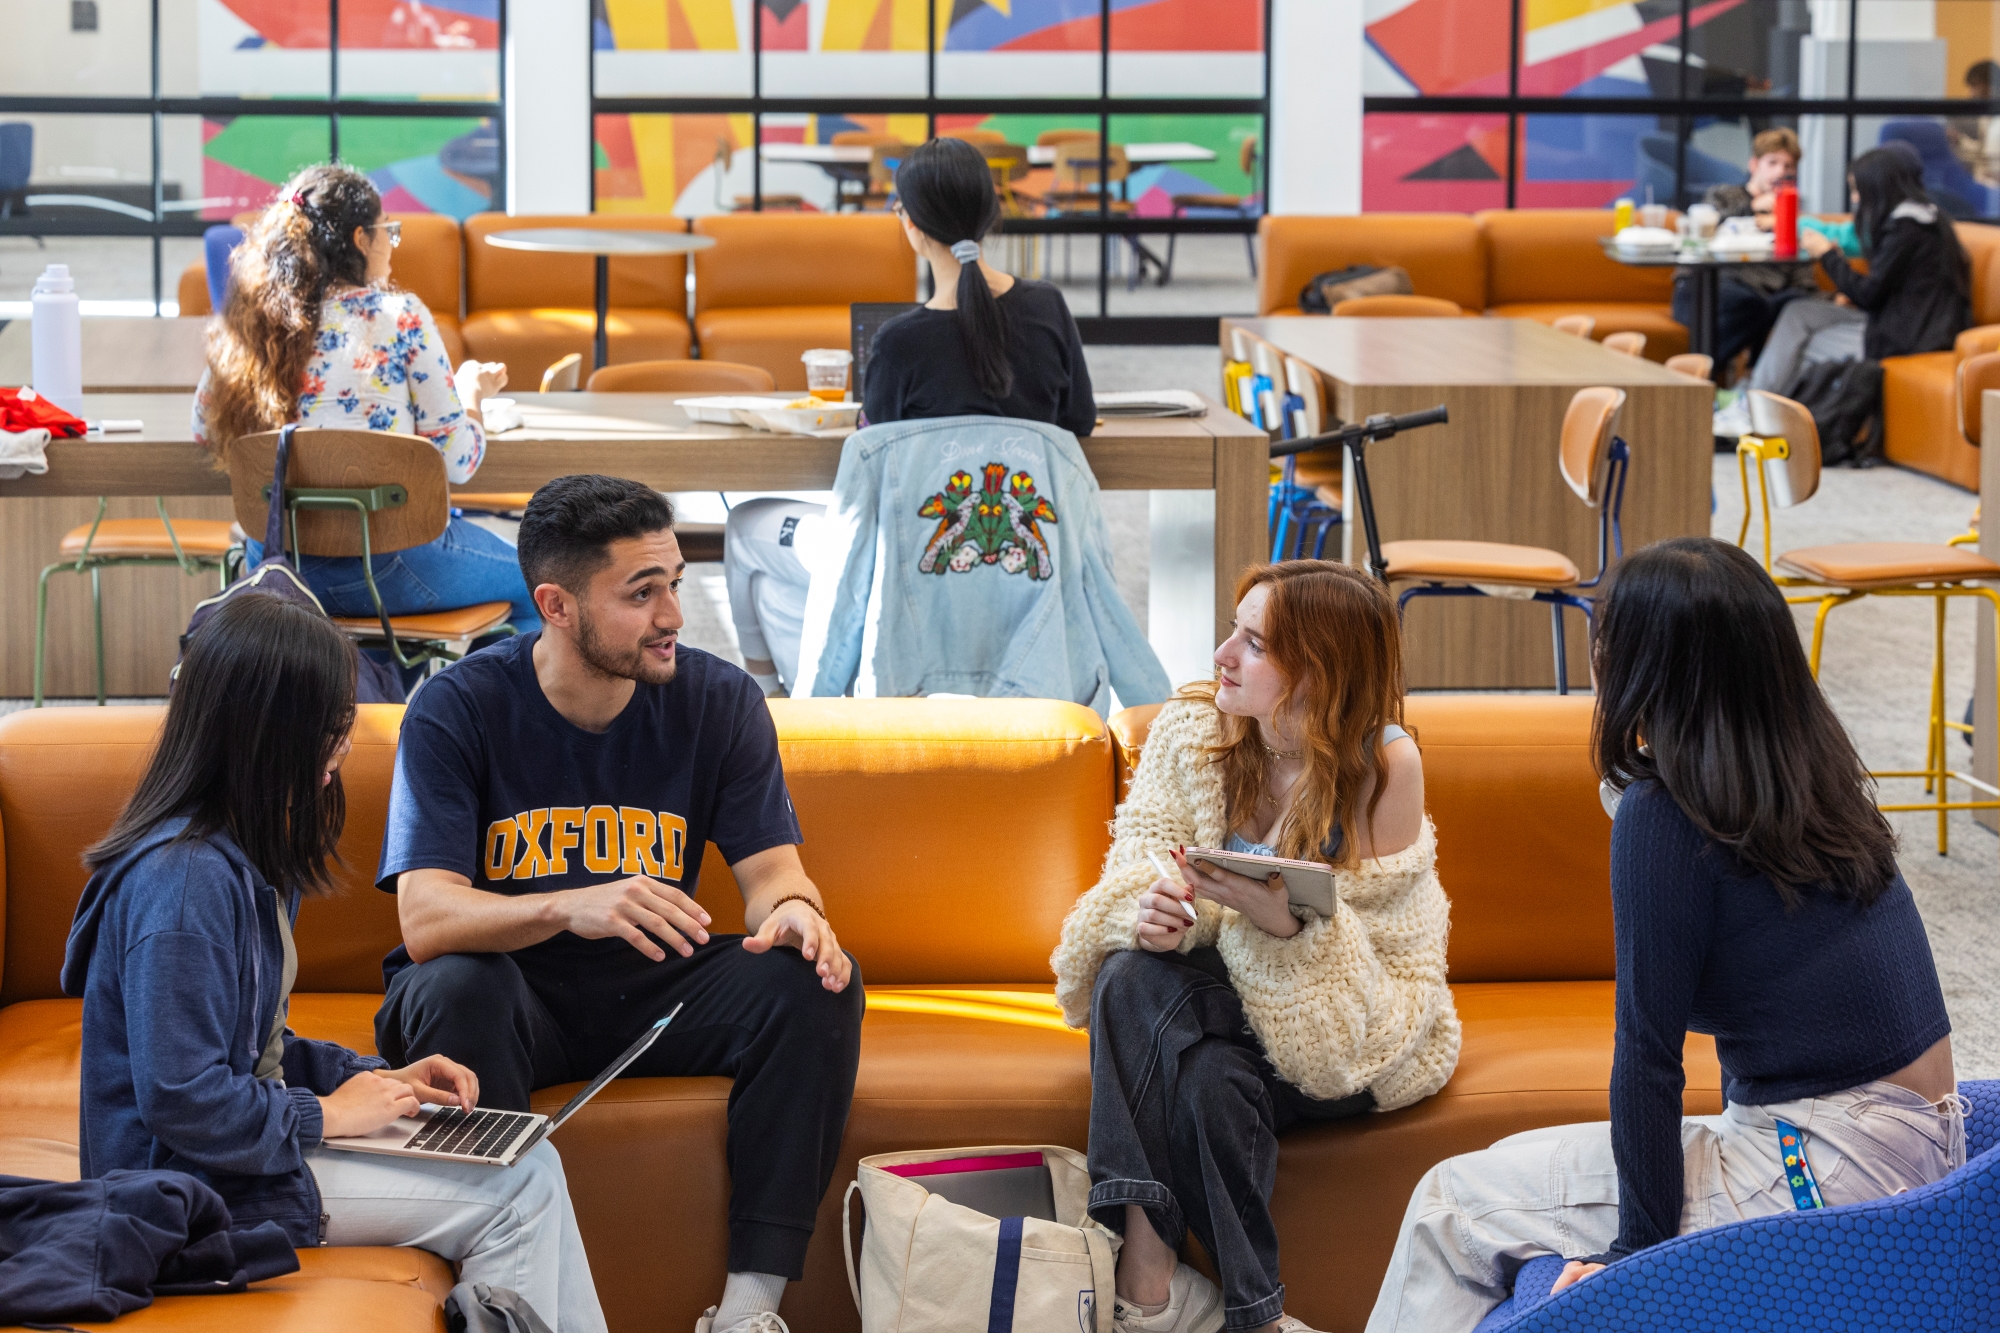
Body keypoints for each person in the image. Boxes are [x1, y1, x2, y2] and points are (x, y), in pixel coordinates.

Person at [1365, 537, 1960, 1333]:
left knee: (1450, 1202)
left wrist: (1634, 1260)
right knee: (1506, 1173)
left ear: (1644, 665)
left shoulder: (1668, 815)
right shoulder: (1807, 775)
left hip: (1817, 1168)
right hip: (1915, 1149)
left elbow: (1647, 1056)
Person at [373, 473, 863, 1333]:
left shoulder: (719, 701)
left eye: (672, 582)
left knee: (813, 982)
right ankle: (499, 1300)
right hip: (511, 994)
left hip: (654, 994)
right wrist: (569, 905)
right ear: (556, 605)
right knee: (457, 984)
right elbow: (427, 917)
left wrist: (797, 913)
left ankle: (749, 1311)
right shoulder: (457, 708)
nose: (673, 613)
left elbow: (773, 875)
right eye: (642, 593)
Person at [62, 593, 605, 1332]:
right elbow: (181, 1099)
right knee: (520, 1192)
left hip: (241, 1156)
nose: (341, 750)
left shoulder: (239, 854)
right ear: (266, 736)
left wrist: (368, 1077)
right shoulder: (183, 885)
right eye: (331, 730)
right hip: (192, 1187)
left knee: (528, 1160)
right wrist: (327, 1115)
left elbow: (251, 1049)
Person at [1050, 561, 1461, 1333]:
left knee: (1165, 1020)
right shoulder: (1194, 728)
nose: (1222, 654)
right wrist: (1155, 908)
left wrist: (1286, 933)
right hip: (1223, 1017)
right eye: (1233, 628)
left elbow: (1347, 1034)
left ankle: (1148, 1288)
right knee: (1158, 1012)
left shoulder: (1384, 767)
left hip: (1364, 1036)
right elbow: (1127, 875)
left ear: (1321, 671)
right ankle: (1240, 1309)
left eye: (1256, 643)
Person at [725, 135, 1094, 696]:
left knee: (747, 527)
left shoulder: (900, 344)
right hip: (1023, 559)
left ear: (914, 228)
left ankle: (774, 706)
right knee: (779, 593)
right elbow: (1079, 421)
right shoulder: (1049, 309)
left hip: (915, 562)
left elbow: (870, 475)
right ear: (991, 213)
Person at [194, 164, 538, 633]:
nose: (391, 242)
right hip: (390, 567)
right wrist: (472, 395)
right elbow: (458, 461)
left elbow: (203, 431)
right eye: (386, 231)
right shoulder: (402, 317)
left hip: (278, 566)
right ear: (360, 238)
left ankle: (391, 696)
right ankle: (463, 702)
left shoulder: (251, 324)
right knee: (540, 586)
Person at [1748, 145, 1972, 396]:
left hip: (1910, 337)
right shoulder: (1924, 218)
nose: (1855, 199)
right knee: (1798, 312)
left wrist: (1827, 255)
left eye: (1858, 189)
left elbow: (1868, 295)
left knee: (1803, 345)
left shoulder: (1908, 228)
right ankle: (1759, 402)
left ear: (1877, 187)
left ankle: (1757, 407)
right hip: (1901, 322)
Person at [1671, 128, 1811, 374]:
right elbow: (1705, 229)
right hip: (1704, 287)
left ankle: (1702, 376)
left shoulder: (1789, 218)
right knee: (1753, 306)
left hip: (1756, 299)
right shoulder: (1725, 195)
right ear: (1754, 164)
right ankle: (1710, 377)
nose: (1781, 172)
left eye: (1788, 166)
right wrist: (1751, 207)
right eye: (1773, 163)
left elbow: (1802, 276)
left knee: (1776, 305)